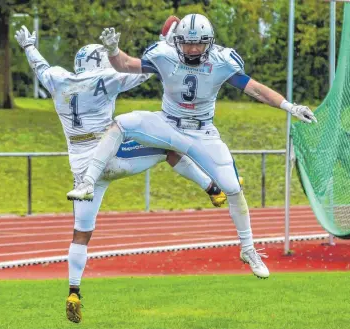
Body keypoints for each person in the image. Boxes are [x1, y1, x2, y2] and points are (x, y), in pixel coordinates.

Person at [69, 14, 317, 280]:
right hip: (167, 123)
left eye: (198, 44)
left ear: (209, 43)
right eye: (187, 44)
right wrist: (114, 51)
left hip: (202, 132)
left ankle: (248, 249)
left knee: (233, 188)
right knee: (121, 124)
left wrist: (289, 106)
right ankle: (88, 181)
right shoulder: (165, 55)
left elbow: (255, 89)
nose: (192, 49)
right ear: (178, 41)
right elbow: (127, 65)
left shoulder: (222, 61)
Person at [14, 25, 228, 323]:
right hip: (112, 154)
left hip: (81, 167)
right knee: (168, 147)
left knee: (81, 234)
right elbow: (143, 71)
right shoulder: (106, 78)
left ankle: (74, 290)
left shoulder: (58, 80)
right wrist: (164, 43)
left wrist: (28, 46)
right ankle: (212, 188)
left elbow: (41, 66)